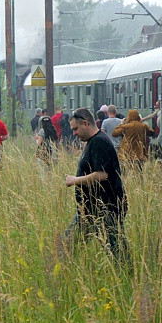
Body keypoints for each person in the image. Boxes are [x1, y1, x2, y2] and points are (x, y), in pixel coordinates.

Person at [60, 108, 129, 266]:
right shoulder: (93, 142)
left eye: (76, 129)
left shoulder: (99, 142)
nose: (74, 133)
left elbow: (102, 174)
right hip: (90, 208)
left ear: (86, 123)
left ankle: (127, 277)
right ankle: (62, 275)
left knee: (117, 250)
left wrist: (75, 180)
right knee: (67, 245)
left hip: (105, 207)